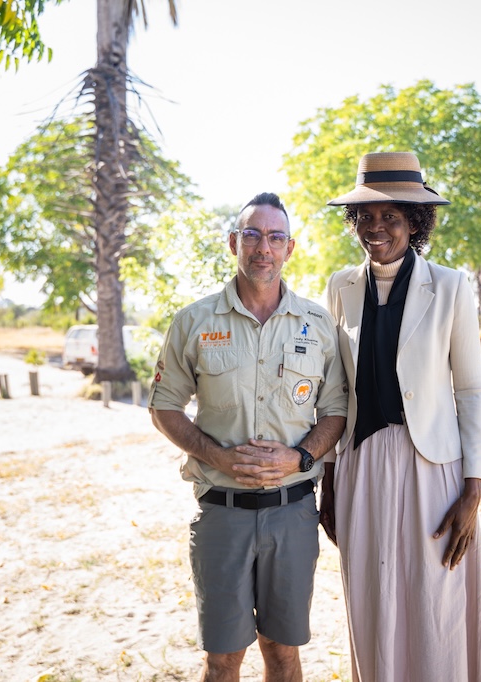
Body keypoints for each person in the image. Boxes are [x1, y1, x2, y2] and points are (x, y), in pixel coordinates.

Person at [148, 191, 348, 682]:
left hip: (292, 515)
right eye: (253, 235)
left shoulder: (318, 324)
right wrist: (217, 455)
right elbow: (164, 406)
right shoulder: (194, 322)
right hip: (221, 514)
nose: (264, 247)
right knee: (223, 659)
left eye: (276, 237)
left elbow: (336, 411)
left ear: (290, 248)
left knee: (283, 652)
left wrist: (300, 457)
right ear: (233, 242)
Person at [320, 152, 481, 681]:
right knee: (371, 598)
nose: (376, 228)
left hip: (432, 467)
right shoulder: (340, 287)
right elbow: (335, 390)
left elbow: (470, 390)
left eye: (391, 216)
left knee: (435, 599)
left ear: (415, 223)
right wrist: (328, 481)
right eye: (365, 217)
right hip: (360, 465)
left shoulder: (450, 287)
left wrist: (473, 489)